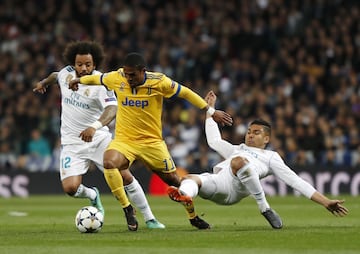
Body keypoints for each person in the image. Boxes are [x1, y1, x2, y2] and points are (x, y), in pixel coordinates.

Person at [68, 52, 233, 230]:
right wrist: (79, 81)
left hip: (152, 143)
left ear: (142, 71)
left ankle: (193, 217)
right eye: (126, 73)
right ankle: (127, 209)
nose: (128, 78)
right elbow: (98, 79)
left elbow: (185, 93)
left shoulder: (159, 82)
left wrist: (210, 111)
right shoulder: (118, 77)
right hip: (125, 141)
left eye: (132, 74)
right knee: (109, 161)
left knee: (176, 182)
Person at [167, 91, 349, 229]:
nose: (250, 135)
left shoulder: (271, 157)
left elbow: (296, 181)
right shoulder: (237, 149)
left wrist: (325, 201)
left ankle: (264, 208)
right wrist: (210, 111)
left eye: (256, 133)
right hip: (218, 183)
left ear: (267, 139)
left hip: (235, 190)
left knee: (238, 162)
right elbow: (214, 141)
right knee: (189, 179)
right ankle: (188, 203)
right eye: (248, 132)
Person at [33, 41, 165, 231]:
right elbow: (55, 76)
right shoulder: (65, 74)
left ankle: (150, 218)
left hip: (98, 139)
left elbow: (112, 108)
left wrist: (94, 127)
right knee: (71, 189)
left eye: (88, 64)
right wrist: (43, 83)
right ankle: (93, 195)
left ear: (94, 65)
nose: (84, 68)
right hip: (72, 144)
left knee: (125, 176)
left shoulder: (101, 82)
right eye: (80, 64)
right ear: (73, 63)